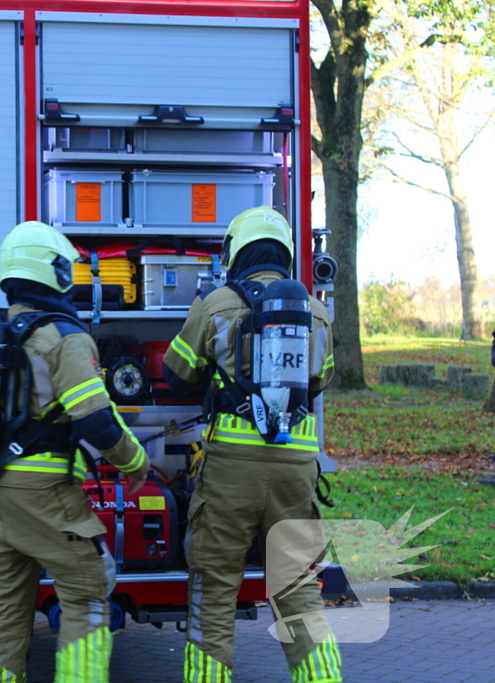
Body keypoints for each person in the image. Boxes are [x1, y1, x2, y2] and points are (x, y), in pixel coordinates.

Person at [163, 207, 341, 683]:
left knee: (214, 592)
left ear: (234, 253)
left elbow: (176, 374)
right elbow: (320, 382)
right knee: (299, 590)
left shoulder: (216, 303)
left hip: (230, 474)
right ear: (284, 253)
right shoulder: (317, 313)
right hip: (295, 470)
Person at [0, 221, 150, 683]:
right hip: (43, 494)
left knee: (4, 609)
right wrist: (135, 461)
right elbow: (95, 418)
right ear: (53, 272)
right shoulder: (63, 337)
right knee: (89, 591)